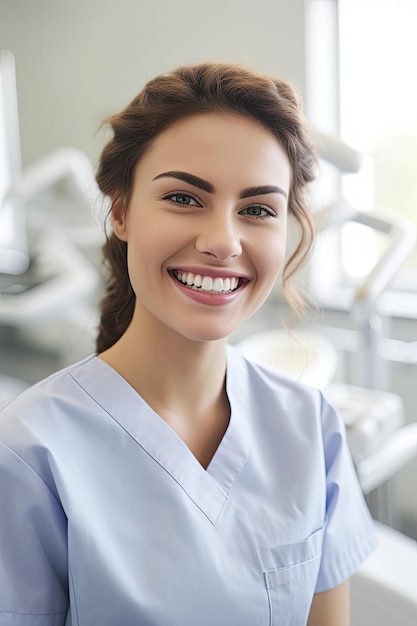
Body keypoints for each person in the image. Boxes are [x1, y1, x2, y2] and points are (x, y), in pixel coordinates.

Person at [0, 62, 376, 626]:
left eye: (257, 210)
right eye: (184, 198)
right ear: (122, 212)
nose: (223, 242)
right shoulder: (31, 452)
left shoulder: (309, 427)